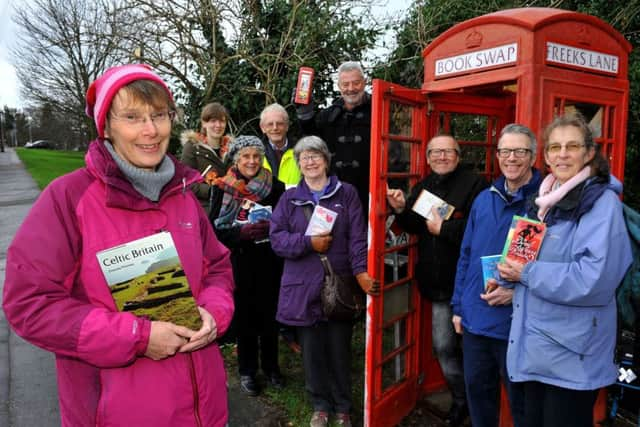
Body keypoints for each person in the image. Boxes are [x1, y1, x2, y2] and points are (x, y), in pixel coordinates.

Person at [2, 64, 234, 426]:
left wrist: (214, 313)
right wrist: (136, 337)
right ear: (106, 127)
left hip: (205, 407)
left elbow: (217, 268)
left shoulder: (183, 195)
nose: (150, 130)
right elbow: (28, 304)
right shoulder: (68, 199)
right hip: (116, 413)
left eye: (159, 115)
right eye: (132, 117)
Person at [499, 113, 632, 427]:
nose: (562, 154)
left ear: (588, 154)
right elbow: (527, 261)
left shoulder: (601, 203)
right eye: (555, 147)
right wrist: (507, 283)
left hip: (572, 355)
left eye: (572, 146)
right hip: (533, 348)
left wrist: (526, 274)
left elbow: (593, 279)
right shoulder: (543, 201)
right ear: (544, 156)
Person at [270, 136, 379, 427]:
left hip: (339, 282)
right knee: (312, 352)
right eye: (303, 157)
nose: (310, 161)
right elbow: (277, 239)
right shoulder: (289, 198)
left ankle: (343, 406)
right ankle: (320, 405)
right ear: (298, 163)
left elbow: (358, 237)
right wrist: (308, 243)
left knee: (339, 349)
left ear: (325, 160)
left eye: (315, 155)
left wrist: (360, 272)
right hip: (302, 285)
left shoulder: (347, 194)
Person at [386, 134, 486, 426]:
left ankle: (481, 403)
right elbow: (415, 226)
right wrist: (401, 208)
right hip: (438, 284)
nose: (442, 157)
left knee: (475, 351)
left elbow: (483, 227)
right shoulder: (424, 186)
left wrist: (446, 229)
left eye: (448, 151)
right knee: (444, 346)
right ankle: (461, 399)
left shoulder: (475, 185)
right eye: (436, 152)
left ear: (458, 155)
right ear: (427, 157)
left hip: (470, 283)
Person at [451, 124, 543, 427]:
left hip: (519, 325)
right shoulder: (484, 198)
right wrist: (458, 308)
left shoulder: (545, 205)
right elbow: (466, 256)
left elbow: (562, 272)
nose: (511, 158)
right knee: (479, 398)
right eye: (505, 151)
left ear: (532, 155)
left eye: (520, 151)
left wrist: (517, 293)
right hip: (476, 320)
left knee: (523, 407)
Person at [209, 135, 286, 396]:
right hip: (239, 260)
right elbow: (212, 230)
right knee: (245, 318)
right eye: (245, 156)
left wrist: (273, 227)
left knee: (270, 315)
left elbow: (287, 223)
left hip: (270, 259)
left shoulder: (276, 187)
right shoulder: (222, 187)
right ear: (236, 159)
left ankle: (272, 367)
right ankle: (248, 371)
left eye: (256, 156)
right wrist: (239, 235)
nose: (251, 161)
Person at [294, 61, 371, 209]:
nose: (351, 89)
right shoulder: (329, 115)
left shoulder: (379, 109)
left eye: (356, 83)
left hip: (369, 193)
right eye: (345, 84)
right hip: (334, 194)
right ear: (339, 86)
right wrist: (305, 115)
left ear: (364, 82)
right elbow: (312, 143)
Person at [180, 102, 233, 213]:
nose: (218, 125)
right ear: (204, 123)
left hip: (230, 210)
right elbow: (185, 184)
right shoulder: (192, 148)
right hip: (203, 212)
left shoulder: (233, 149)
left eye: (222, 121)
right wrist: (213, 191)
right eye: (213, 121)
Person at [259, 103, 301, 187]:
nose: (275, 128)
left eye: (280, 123)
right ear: (262, 128)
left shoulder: (302, 151)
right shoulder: (256, 153)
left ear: (287, 126)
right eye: (270, 124)